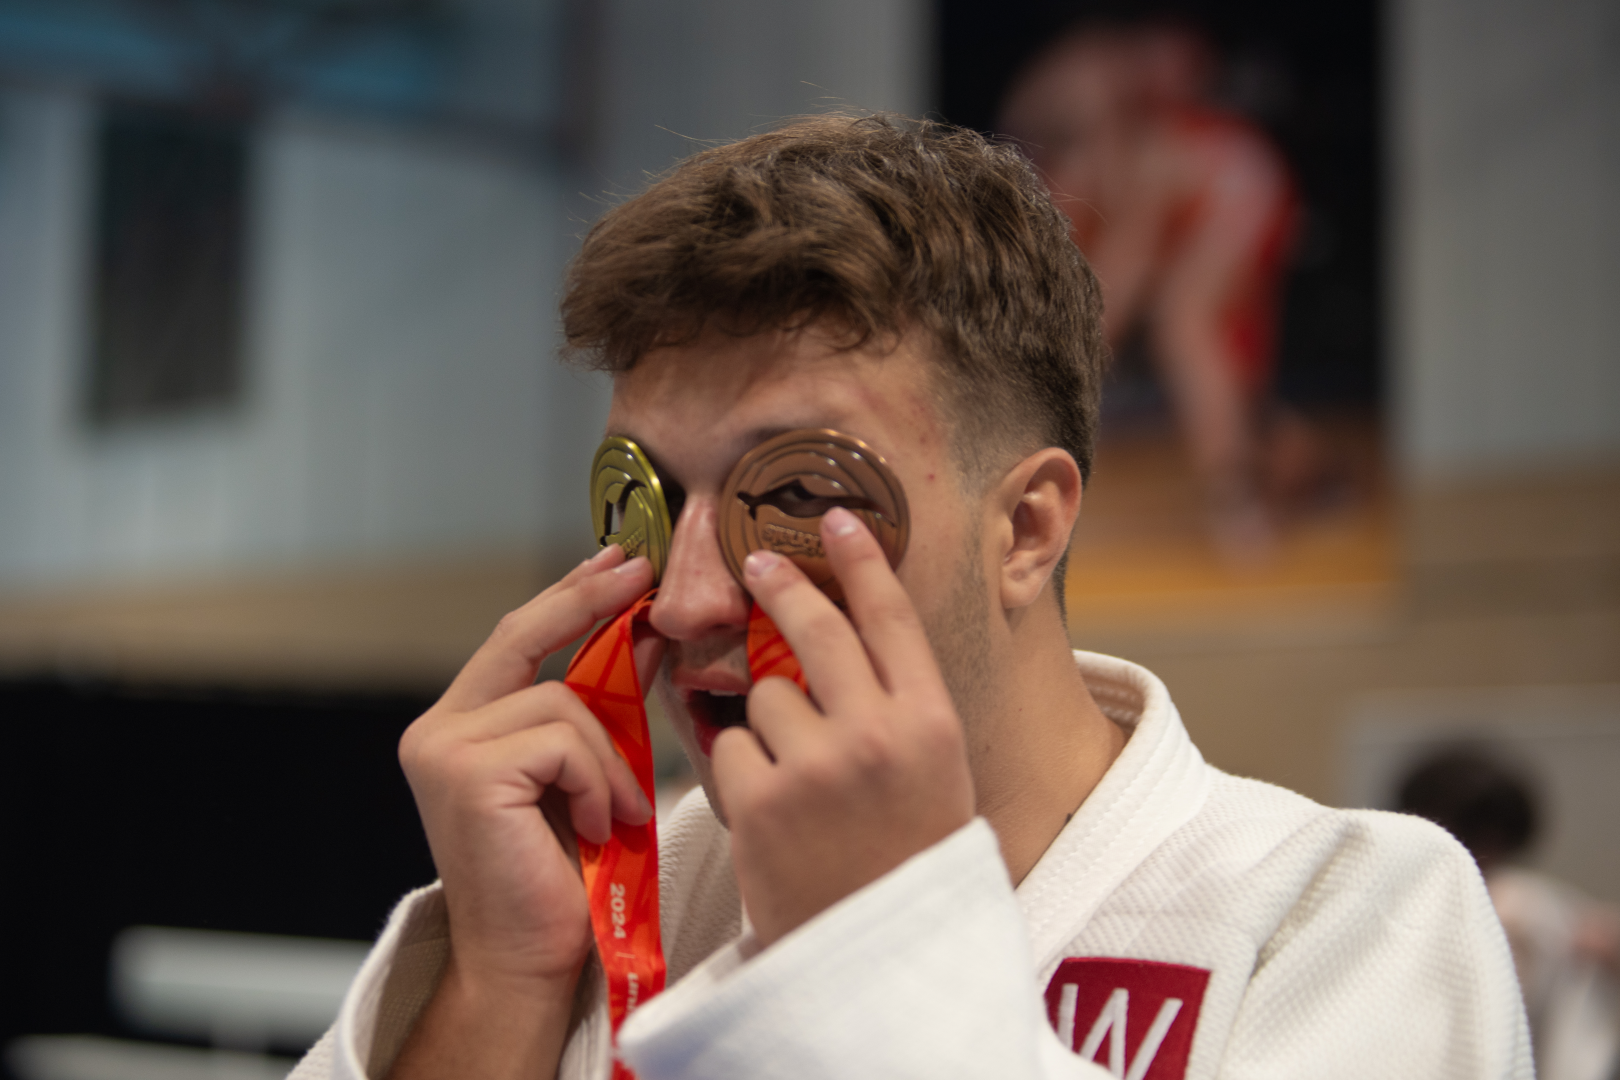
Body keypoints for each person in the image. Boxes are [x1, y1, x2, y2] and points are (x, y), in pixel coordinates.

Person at [290, 115, 1528, 1080]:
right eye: (649, 501)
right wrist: (504, 982)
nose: (686, 600)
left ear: (1026, 528)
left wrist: (874, 950)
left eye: (794, 494)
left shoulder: (1342, 913)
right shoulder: (610, 898)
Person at [999, 22, 1319, 561]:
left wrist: (1062, 371)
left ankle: (1237, 501)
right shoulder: (1066, 147)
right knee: (1220, 363)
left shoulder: (1124, 161)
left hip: (1236, 183)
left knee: (1185, 325)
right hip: (1203, 193)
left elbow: (1117, 289)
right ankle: (1302, 471)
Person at [1400, 748, 1620, 1080]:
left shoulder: (1523, 901)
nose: (1488, 857)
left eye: (1499, 846)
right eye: (1478, 839)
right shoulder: (1404, 903)